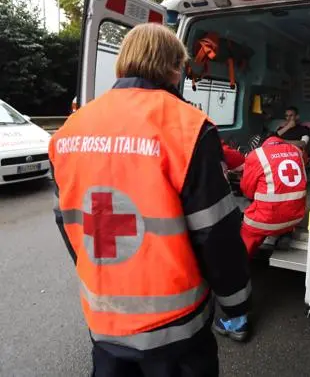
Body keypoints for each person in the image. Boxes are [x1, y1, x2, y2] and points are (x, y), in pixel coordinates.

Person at [49, 23, 251, 376]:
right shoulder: (187, 127)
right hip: (176, 329)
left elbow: (68, 224)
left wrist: (101, 278)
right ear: (174, 67)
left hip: (103, 319)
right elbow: (216, 232)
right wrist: (236, 303)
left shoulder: (69, 130)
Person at [238, 132, 307, 256]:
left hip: (265, 220)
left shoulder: (257, 155)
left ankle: (239, 263)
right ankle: (285, 233)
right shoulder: (297, 151)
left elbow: (247, 191)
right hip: (295, 217)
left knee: (246, 237)